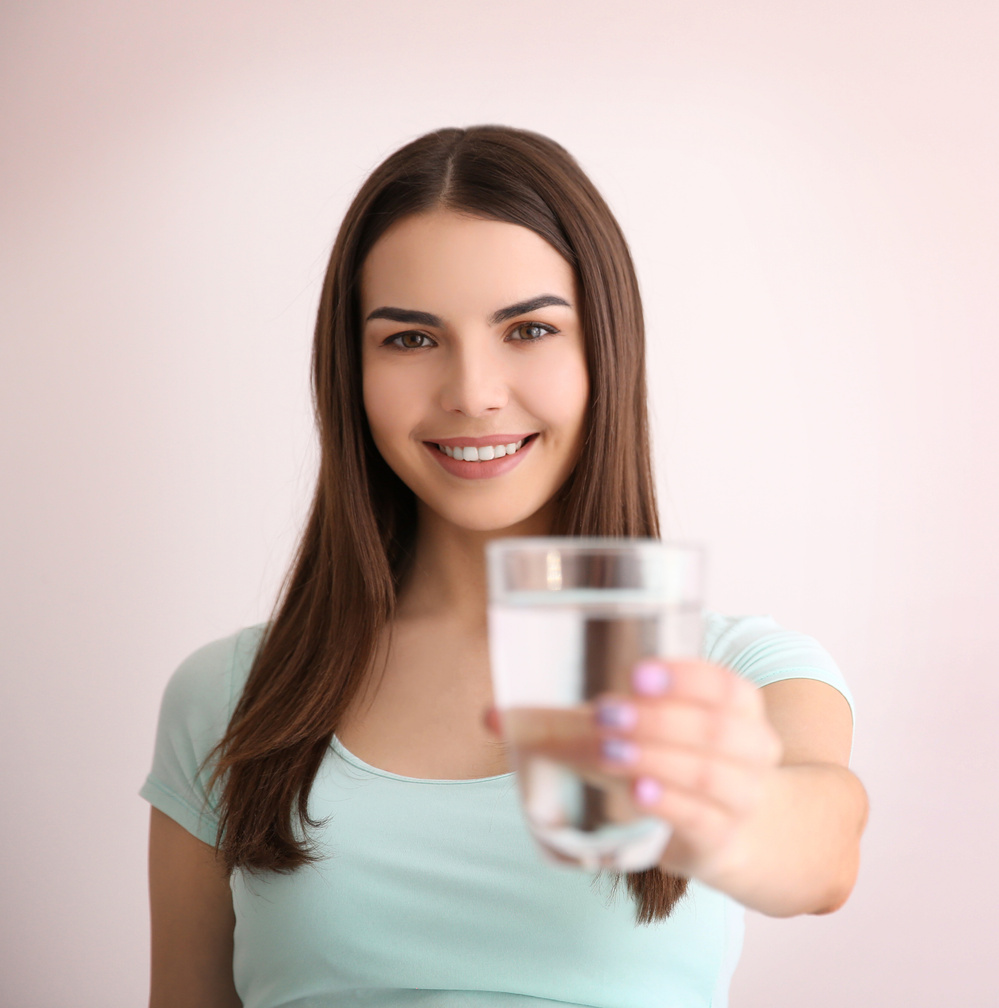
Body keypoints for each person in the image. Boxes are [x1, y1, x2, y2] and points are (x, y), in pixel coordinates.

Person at [142, 125, 868, 1007]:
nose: (473, 391)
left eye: (527, 329)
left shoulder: (739, 671)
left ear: (605, 349)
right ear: (351, 372)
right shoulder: (230, 696)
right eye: (411, 340)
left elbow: (822, 853)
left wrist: (724, 810)